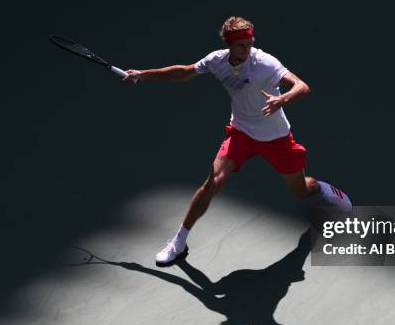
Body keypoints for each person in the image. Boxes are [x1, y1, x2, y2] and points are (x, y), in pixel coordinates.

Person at [123, 16, 352, 265]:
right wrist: (144, 75)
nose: (248, 47)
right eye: (242, 44)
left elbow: (302, 86)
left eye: (250, 42)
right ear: (229, 45)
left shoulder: (264, 63)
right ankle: (179, 241)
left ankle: (323, 189)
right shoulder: (216, 61)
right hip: (241, 133)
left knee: (301, 191)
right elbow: (185, 72)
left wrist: (282, 100)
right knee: (213, 182)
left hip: (276, 138)